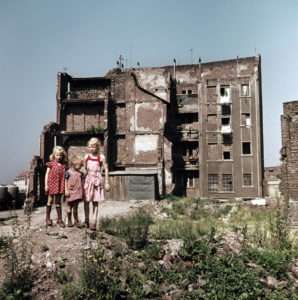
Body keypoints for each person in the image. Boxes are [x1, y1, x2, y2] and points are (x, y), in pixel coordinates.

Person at [84, 137, 110, 230]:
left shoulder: (101, 157)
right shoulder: (86, 157)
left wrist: (107, 182)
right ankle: (86, 220)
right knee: (86, 201)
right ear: (88, 147)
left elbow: (106, 169)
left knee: (95, 202)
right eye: (90, 146)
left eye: (94, 147)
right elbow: (84, 169)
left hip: (97, 181)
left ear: (98, 147)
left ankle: (93, 221)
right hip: (88, 180)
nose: (92, 148)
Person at [45, 146, 67, 227]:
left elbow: (64, 177)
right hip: (51, 184)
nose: (59, 157)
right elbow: (47, 174)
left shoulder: (63, 166)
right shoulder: (51, 164)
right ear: (54, 155)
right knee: (50, 201)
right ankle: (47, 218)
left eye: (60, 155)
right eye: (57, 155)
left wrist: (65, 187)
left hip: (59, 185)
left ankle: (59, 219)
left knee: (58, 202)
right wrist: (46, 185)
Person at [65, 156, 84, 228]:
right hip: (70, 193)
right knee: (69, 207)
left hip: (77, 193)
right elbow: (65, 181)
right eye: (80, 165)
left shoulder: (80, 173)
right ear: (74, 164)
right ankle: (69, 221)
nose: (80, 167)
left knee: (75, 208)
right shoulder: (68, 173)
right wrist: (66, 190)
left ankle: (76, 221)